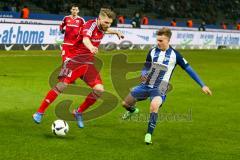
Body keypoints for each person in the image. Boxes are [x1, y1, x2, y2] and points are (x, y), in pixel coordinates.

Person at [33, 9, 124, 128]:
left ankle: (78, 112)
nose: (108, 25)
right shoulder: (89, 25)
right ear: (99, 18)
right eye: (106, 22)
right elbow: (86, 38)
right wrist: (91, 47)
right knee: (62, 85)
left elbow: (105, 30)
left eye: (110, 23)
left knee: (99, 90)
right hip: (75, 60)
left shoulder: (102, 27)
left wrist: (116, 32)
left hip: (88, 64)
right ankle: (39, 112)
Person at [121, 27, 212, 144]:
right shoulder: (152, 51)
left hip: (161, 86)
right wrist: (143, 73)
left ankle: (148, 134)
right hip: (147, 83)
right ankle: (133, 110)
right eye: (157, 40)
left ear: (168, 40)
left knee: (154, 106)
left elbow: (189, 69)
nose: (158, 43)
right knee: (125, 103)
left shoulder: (176, 55)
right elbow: (146, 66)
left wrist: (202, 85)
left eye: (161, 41)